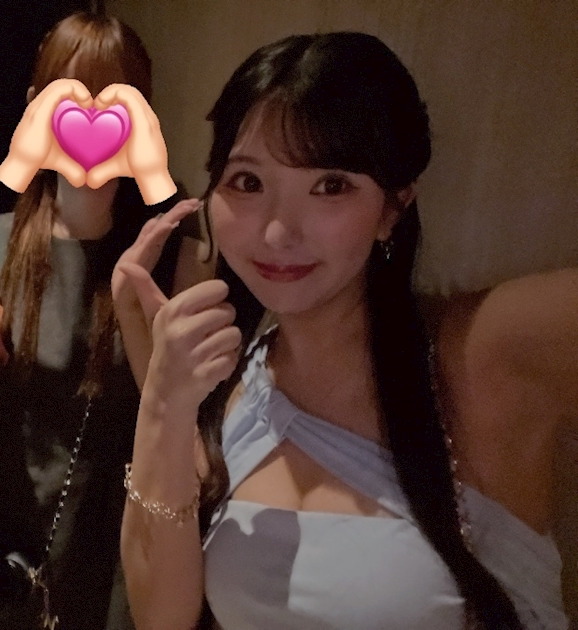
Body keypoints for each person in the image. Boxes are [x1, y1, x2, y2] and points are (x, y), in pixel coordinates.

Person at [115, 32, 575, 629]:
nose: (277, 232)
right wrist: (162, 399)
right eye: (248, 182)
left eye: (330, 185)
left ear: (393, 208)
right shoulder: (238, 391)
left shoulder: (480, 355)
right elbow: (163, 617)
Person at [0, 12, 205, 630]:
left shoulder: (178, 263)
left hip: (99, 552)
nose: (90, 116)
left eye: (116, 98)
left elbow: (187, 433)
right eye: (67, 97)